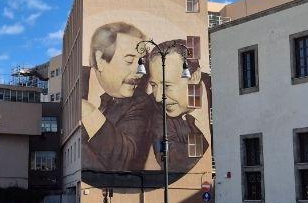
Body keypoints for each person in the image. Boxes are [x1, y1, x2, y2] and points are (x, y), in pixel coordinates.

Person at [81, 22, 155, 173]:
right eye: (129, 60)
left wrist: (88, 112)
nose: (140, 72)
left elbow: (125, 159)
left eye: (142, 62)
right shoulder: (75, 82)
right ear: (100, 60)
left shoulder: (141, 103)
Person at [145, 40, 211, 172]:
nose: (158, 97)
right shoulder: (153, 108)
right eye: (154, 85)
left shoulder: (222, 93)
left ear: (194, 77)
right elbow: (171, 160)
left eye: (167, 86)